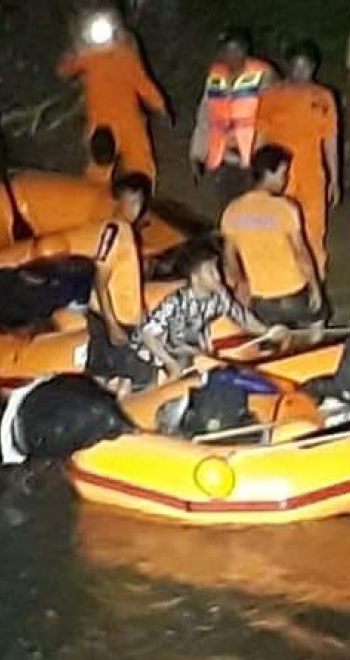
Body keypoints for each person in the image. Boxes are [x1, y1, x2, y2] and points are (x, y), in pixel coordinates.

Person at [256, 42, 341, 275]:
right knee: (280, 223)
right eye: (297, 66)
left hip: (312, 172)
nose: (302, 72)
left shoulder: (323, 97)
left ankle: (316, 274)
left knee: (314, 225)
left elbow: (330, 139)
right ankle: (284, 272)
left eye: (307, 67)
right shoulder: (271, 96)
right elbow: (261, 137)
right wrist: (259, 173)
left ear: (314, 68)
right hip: (279, 173)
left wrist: (335, 177)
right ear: (289, 67)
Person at [137, 241, 279, 380]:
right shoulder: (176, 303)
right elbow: (148, 334)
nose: (217, 276)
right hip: (154, 362)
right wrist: (170, 363)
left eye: (217, 269)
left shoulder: (218, 295)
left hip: (195, 358)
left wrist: (268, 332)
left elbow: (242, 318)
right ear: (195, 278)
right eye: (210, 272)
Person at [58, 12, 170, 185]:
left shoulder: (125, 54)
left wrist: (160, 105)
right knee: (98, 171)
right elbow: (64, 70)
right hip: (101, 123)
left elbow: (142, 83)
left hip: (128, 120)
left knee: (140, 164)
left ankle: (140, 199)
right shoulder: (88, 56)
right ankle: (93, 204)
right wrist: (75, 51)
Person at [220, 145, 326, 327]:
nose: (285, 180)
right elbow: (301, 254)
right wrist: (315, 288)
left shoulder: (232, 211)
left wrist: (241, 289)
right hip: (293, 291)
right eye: (283, 173)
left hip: (260, 298)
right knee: (318, 323)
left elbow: (230, 260)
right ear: (270, 173)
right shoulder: (285, 208)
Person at [189, 29, 277, 212]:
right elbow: (205, 116)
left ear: (246, 51)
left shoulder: (264, 75)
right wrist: (196, 153)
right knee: (227, 211)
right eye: (227, 52)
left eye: (237, 51)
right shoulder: (216, 77)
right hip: (224, 158)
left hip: (254, 158)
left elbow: (276, 116)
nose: (232, 57)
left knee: (252, 213)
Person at [86, 172, 157, 390]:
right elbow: (100, 278)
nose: (136, 207)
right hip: (113, 319)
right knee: (140, 375)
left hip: (125, 319)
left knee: (116, 377)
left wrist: (141, 311)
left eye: (140, 201)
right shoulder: (115, 231)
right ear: (120, 200)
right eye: (132, 200)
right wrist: (111, 324)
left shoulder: (128, 232)